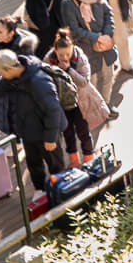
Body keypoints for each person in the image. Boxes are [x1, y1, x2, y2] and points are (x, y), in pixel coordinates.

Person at [0, 51, 66, 192]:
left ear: (10, 69)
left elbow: (53, 110)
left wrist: (50, 137)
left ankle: (62, 192)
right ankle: (40, 191)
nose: (0, 76)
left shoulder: (39, 81)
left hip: (46, 133)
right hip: (28, 131)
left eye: (1, 73)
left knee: (56, 166)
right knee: (34, 165)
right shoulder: (11, 79)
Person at [45, 29, 96, 167]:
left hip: (79, 101)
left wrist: (69, 70)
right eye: (61, 54)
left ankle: (89, 159)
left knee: (83, 131)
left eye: (68, 53)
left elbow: (84, 81)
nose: (65, 57)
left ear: (72, 48)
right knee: (68, 134)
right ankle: (74, 161)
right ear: (55, 50)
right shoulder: (48, 60)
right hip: (61, 104)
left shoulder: (80, 58)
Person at [0, 16, 38, 134]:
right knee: (7, 120)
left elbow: (30, 70)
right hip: (2, 88)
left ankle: (19, 141)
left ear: (11, 33)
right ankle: (15, 141)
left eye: (0, 31)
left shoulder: (24, 47)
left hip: (20, 90)